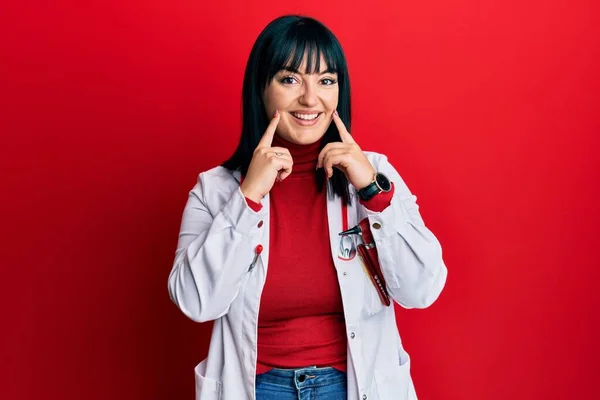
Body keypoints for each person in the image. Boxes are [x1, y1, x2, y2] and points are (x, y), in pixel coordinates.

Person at [168, 14, 448, 400]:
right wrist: (247, 197)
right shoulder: (216, 189)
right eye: (290, 79)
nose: (310, 99)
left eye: (326, 81)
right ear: (261, 89)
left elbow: (422, 289)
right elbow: (195, 301)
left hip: (352, 384)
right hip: (256, 387)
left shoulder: (375, 174)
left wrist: (373, 193)